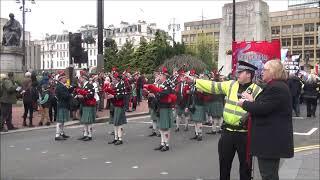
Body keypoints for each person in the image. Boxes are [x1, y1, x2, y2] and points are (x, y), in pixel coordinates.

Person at [191, 61, 262, 180]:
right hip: (227, 133)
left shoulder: (257, 90)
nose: (237, 73)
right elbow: (213, 86)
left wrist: (253, 102)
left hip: (245, 135)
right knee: (224, 166)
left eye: (240, 72)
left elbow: (261, 109)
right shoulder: (231, 84)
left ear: (249, 74)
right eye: (237, 71)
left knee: (245, 169)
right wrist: (195, 81)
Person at [238, 59, 294, 180]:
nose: (262, 72)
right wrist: (252, 100)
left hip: (270, 142)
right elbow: (267, 106)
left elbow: (262, 108)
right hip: (271, 141)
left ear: (272, 72)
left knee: (268, 175)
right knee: (269, 174)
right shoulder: (276, 86)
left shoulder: (276, 87)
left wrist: (244, 103)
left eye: (265, 70)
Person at [144, 67, 177, 152]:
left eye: (160, 75)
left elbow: (164, 94)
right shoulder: (160, 84)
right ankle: (162, 143)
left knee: (165, 127)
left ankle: (167, 145)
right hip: (159, 107)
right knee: (161, 127)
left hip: (165, 108)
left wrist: (155, 93)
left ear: (164, 76)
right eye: (159, 75)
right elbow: (158, 93)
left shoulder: (168, 85)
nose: (159, 76)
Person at [104, 72, 127, 145]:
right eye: (113, 78)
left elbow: (121, 96)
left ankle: (120, 139)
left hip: (119, 106)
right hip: (114, 105)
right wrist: (110, 95)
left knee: (119, 122)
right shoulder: (114, 85)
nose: (112, 79)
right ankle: (115, 138)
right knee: (115, 122)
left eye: (114, 78)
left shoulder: (121, 85)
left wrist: (113, 96)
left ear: (117, 79)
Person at [76, 75, 96, 141]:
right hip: (84, 105)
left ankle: (89, 135)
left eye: (80, 78)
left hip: (88, 105)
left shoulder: (90, 85)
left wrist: (83, 96)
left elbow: (91, 95)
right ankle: (85, 134)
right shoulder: (83, 86)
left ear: (84, 78)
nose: (79, 79)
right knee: (84, 121)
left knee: (88, 121)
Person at [55, 72, 72, 141]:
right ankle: (57, 135)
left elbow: (66, 92)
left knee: (62, 121)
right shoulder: (60, 86)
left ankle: (61, 133)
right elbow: (64, 95)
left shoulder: (62, 85)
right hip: (62, 104)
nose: (66, 79)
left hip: (63, 104)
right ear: (61, 79)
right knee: (60, 121)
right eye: (65, 78)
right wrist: (71, 96)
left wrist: (71, 89)